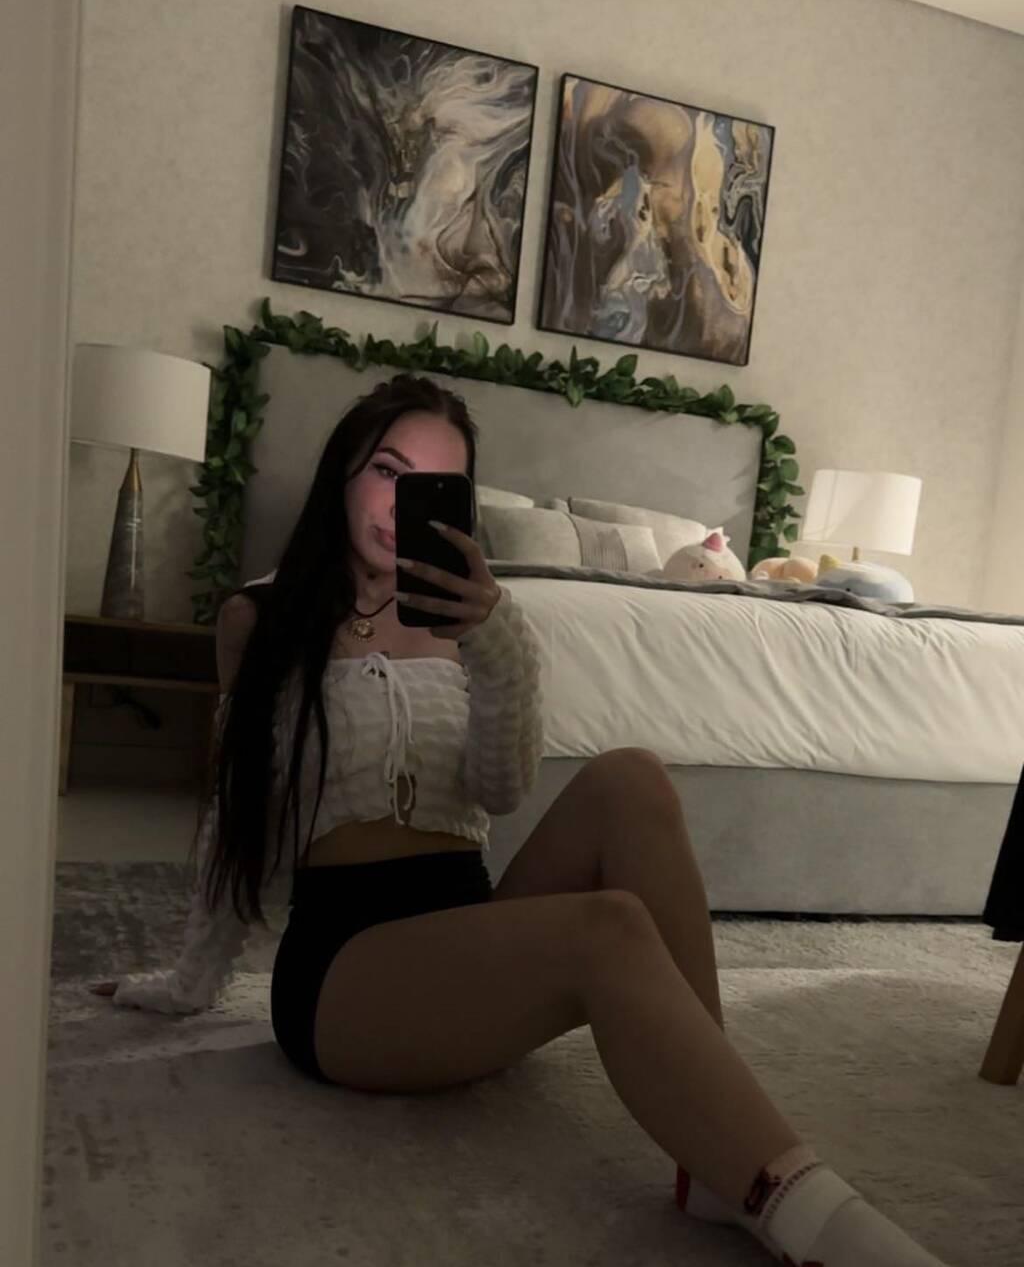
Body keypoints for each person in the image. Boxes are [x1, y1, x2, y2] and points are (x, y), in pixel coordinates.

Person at [92, 374, 954, 1266]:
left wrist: (495, 639)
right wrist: (188, 981)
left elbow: (500, 790)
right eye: (386, 470)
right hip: (347, 970)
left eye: (432, 484)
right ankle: (811, 1214)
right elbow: (235, 816)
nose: (398, 503)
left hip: (469, 930)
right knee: (607, 929)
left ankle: (714, 1155)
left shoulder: (479, 624)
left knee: (631, 778)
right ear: (343, 471)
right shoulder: (261, 618)